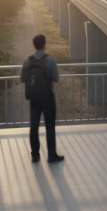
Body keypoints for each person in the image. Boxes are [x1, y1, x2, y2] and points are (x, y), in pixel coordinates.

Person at [20, 34, 64, 163]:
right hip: (47, 97)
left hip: (34, 98)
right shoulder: (50, 59)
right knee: (50, 126)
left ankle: (35, 154)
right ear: (45, 44)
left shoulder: (27, 60)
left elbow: (23, 79)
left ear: (34, 45)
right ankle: (51, 155)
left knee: (34, 126)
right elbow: (56, 78)